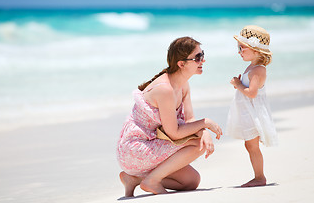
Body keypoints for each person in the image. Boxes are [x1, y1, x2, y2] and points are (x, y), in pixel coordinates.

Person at [116, 36, 222, 197]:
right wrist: (205, 123)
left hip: (152, 145)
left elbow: (190, 120)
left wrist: (204, 130)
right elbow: (174, 133)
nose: (203, 60)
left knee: (191, 181)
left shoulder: (183, 84)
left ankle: (135, 178)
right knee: (198, 144)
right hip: (134, 150)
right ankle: (151, 181)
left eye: (203, 54)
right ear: (181, 64)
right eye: (198, 57)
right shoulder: (165, 89)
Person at [226, 25, 278, 187]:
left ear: (256, 49)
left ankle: (260, 177)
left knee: (251, 145)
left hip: (253, 113)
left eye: (242, 48)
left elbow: (252, 93)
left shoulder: (258, 70)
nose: (239, 51)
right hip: (247, 111)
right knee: (250, 145)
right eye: (238, 48)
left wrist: (237, 84)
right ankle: (258, 176)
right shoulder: (252, 67)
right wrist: (240, 84)